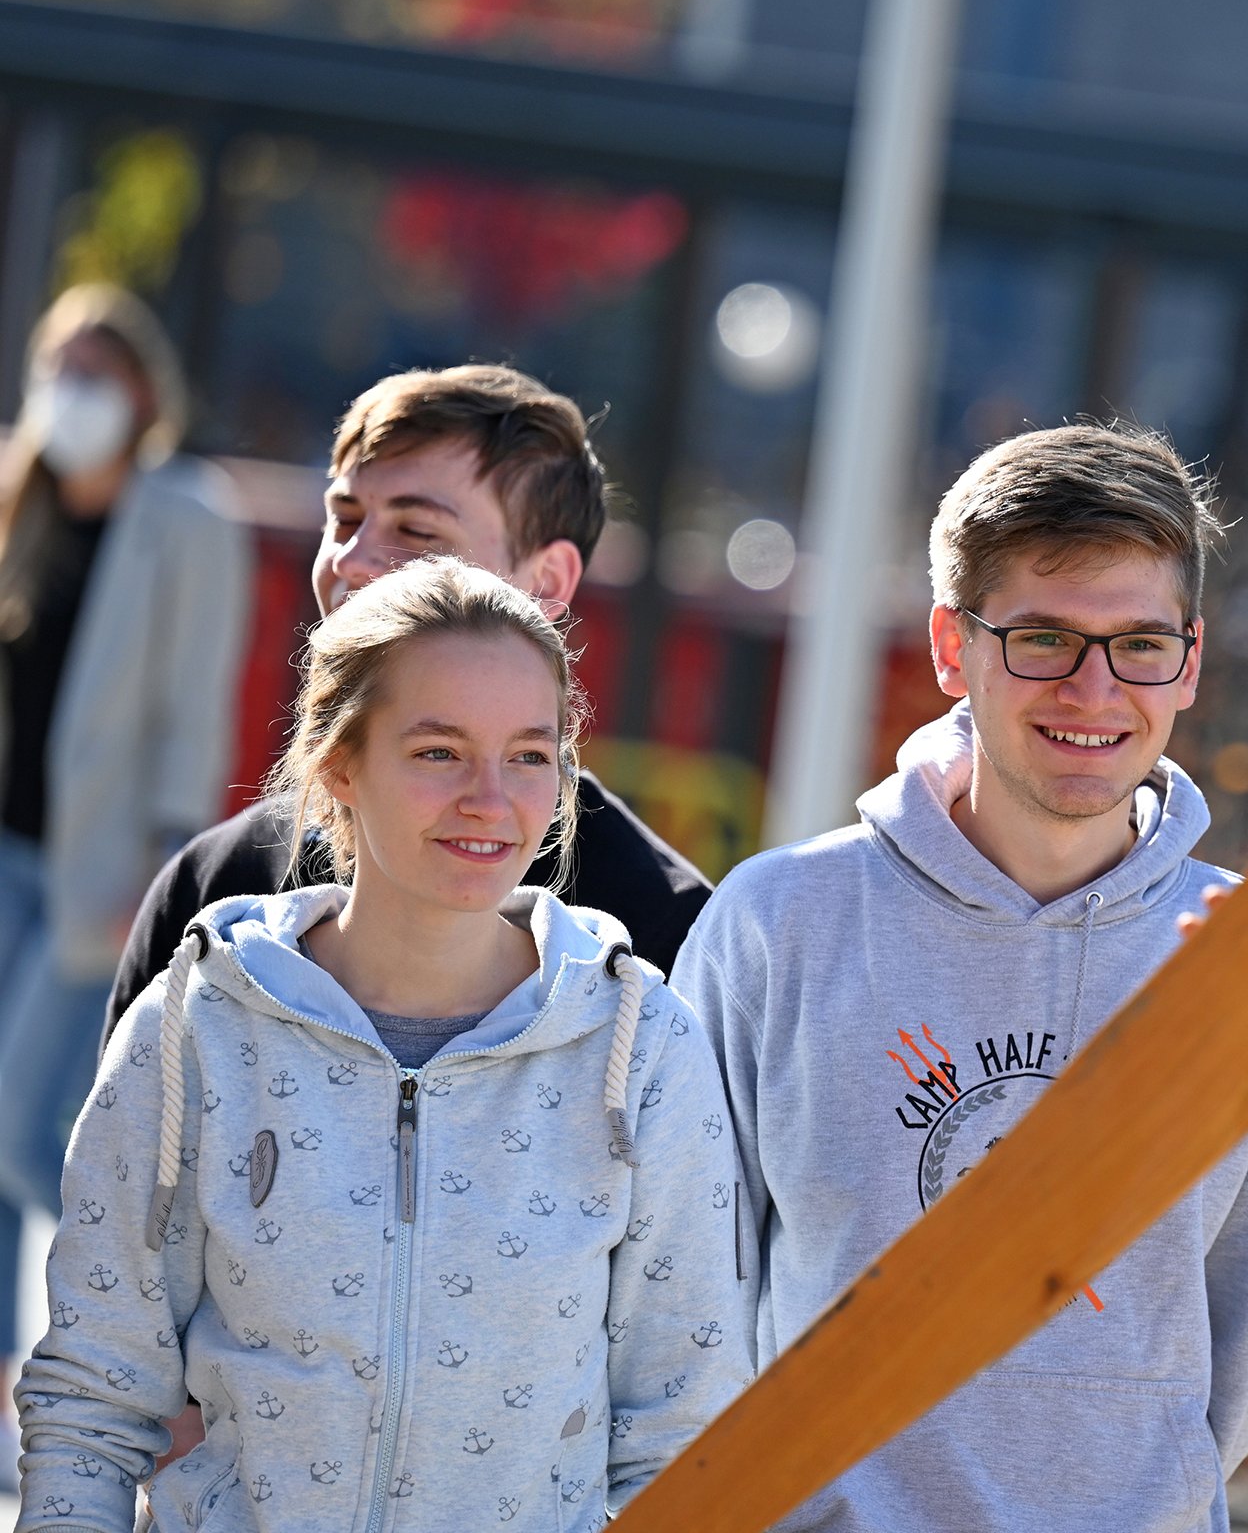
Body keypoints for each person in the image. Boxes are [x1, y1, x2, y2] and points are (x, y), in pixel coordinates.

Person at [673, 421, 1248, 1532]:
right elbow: (682, 1293)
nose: (1094, 687)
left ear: (1191, 659)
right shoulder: (780, 926)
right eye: (1042, 639)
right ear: (950, 645)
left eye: (1140, 643)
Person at [13, 557, 753, 1531]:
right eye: (440, 751)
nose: (493, 798)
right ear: (338, 762)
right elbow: (94, 1400)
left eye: (531, 754)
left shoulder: (644, 1050)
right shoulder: (198, 1024)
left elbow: (684, 1437)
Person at [104, 364, 711, 1052]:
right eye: (345, 519)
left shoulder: (663, 936)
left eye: (416, 532)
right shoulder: (215, 891)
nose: (352, 561)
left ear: (545, 582)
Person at [0, 284, 251, 1389]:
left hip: (95, 871)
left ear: (146, 392)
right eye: (61, 368)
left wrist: (165, 868)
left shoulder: (187, 517)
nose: (74, 396)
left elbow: (194, 709)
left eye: (99, 374)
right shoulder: (21, 504)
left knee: (18, 1127)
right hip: (3, 852)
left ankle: (173, 1323)